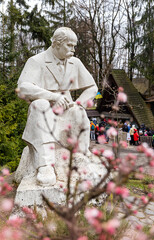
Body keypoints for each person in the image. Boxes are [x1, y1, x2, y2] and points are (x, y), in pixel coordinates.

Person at [17, 27, 98, 186]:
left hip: (67, 112)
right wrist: (52, 96)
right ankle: (44, 165)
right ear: (56, 43)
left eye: (74, 46)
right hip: (45, 112)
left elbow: (92, 87)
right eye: (69, 45)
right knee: (39, 105)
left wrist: (78, 102)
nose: (73, 49)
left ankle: (81, 155)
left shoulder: (75, 63)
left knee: (79, 110)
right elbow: (22, 87)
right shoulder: (37, 61)